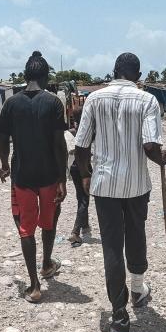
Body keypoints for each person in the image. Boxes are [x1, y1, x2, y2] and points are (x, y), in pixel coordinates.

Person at [75, 52, 166, 332]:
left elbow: (80, 147)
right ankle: (138, 290)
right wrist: (162, 158)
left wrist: (87, 175)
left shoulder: (94, 99)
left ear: (114, 71)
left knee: (112, 248)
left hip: (104, 186)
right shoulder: (147, 100)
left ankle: (119, 317)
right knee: (136, 233)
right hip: (137, 184)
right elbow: (150, 147)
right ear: (138, 76)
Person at [0, 51, 68, 303]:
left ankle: (34, 285)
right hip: (49, 176)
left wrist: (5, 165)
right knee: (48, 223)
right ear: (46, 77)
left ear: (26, 76)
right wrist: (63, 179)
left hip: (22, 176)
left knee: (26, 228)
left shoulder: (11, 104)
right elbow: (60, 144)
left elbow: (3, 140)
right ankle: (47, 263)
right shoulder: (54, 103)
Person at [67, 106, 91, 247]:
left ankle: (85, 226)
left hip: (73, 168)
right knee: (84, 199)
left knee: (80, 196)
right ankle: (75, 232)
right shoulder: (88, 132)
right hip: (85, 167)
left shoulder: (70, 132)